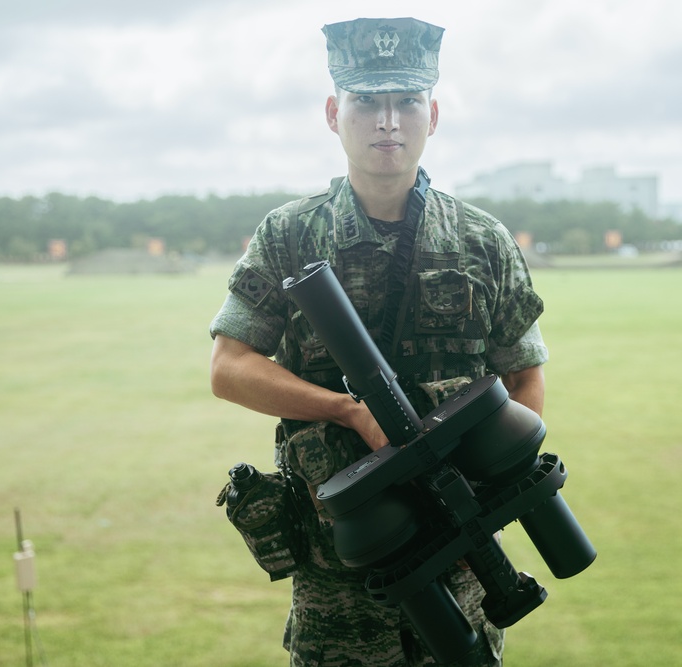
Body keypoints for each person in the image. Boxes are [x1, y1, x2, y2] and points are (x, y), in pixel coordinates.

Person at [209, 17, 548, 666]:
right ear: (335, 113)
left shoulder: (483, 241)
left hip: (465, 567)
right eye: (367, 102)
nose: (387, 120)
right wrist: (346, 411)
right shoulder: (289, 235)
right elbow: (228, 367)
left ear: (434, 114)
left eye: (406, 102)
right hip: (340, 573)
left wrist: (478, 485)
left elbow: (525, 376)